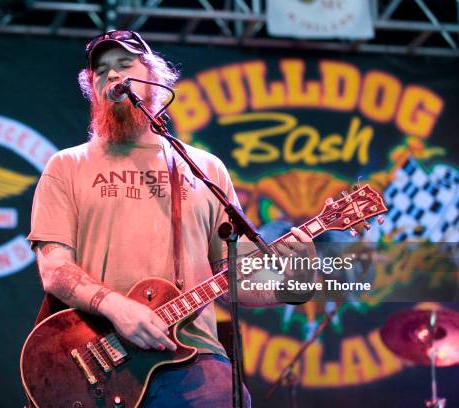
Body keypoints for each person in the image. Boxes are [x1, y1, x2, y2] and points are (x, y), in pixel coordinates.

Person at [27, 30, 315, 407]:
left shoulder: (204, 168)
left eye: (124, 65)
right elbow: (54, 269)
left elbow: (234, 281)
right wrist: (118, 307)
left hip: (192, 355)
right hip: (98, 356)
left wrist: (294, 282)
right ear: (92, 87)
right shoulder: (67, 165)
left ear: (154, 78)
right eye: (101, 71)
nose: (112, 76)